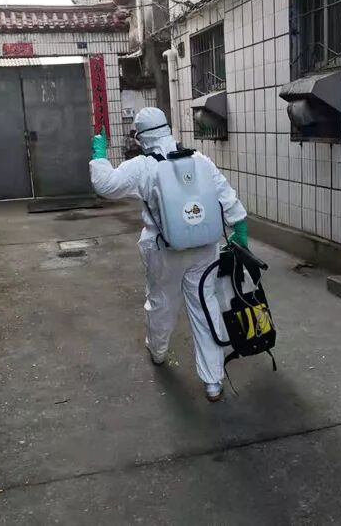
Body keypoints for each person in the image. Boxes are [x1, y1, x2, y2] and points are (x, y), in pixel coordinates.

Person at [90, 107, 248, 402]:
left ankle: (159, 351)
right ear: (167, 129)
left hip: (165, 250)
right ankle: (213, 382)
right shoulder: (199, 159)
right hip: (205, 249)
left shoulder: (143, 166)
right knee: (205, 307)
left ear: (141, 137)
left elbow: (105, 185)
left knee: (162, 303)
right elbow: (227, 197)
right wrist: (240, 229)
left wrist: (99, 154)